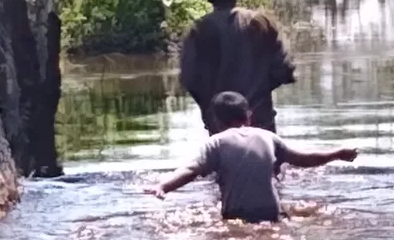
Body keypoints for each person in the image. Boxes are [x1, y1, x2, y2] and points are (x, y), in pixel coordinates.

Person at [146, 92, 357, 223]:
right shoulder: (268, 137)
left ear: (216, 121)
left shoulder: (216, 142)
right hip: (271, 214)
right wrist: (337, 153)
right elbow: (304, 159)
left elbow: (190, 170)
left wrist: (163, 186)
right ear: (249, 116)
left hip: (237, 215)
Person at [180, 0, 296, 134]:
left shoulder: (198, 30)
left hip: (220, 124)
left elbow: (190, 80)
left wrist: (211, 110)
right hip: (260, 120)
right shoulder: (260, 22)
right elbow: (285, 70)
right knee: (266, 157)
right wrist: (257, 94)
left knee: (225, 158)